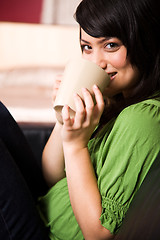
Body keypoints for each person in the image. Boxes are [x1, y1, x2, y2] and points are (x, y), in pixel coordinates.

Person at [0, 0, 160, 239]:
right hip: (45, 209)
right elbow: (53, 177)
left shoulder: (141, 119)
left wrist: (76, 146)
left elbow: (98, 233)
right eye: (87, 47)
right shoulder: (113, 102)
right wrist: (65, 119)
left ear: (145, 42)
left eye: (110, 45)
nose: (97, 62)